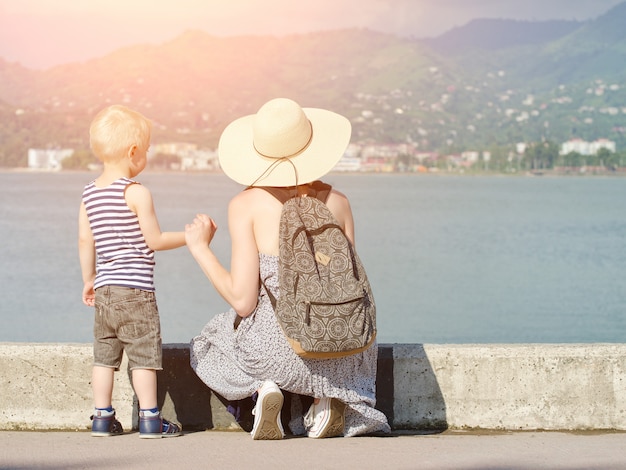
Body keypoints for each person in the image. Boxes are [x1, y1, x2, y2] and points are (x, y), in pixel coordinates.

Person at [185, 97, 391, 439]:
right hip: (347, 349)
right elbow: (349, 284)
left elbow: (243, 301)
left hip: (279, 351)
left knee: (210, 341)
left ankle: (263, 390)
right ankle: (326, 400)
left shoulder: (246, 204)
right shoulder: (339, 203)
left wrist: (200, 248)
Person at [78, 104, 185, 438]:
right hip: (136, 292)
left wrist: (89, 279)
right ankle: (151, 418)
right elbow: (154, 240)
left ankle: (102, 417)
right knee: (143, 357)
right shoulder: (137, 192)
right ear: (134, 151)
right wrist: (192, 236)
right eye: (148, 150)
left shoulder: (89, 194)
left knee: (104, 357)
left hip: (106, 289)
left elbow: (85, 240)